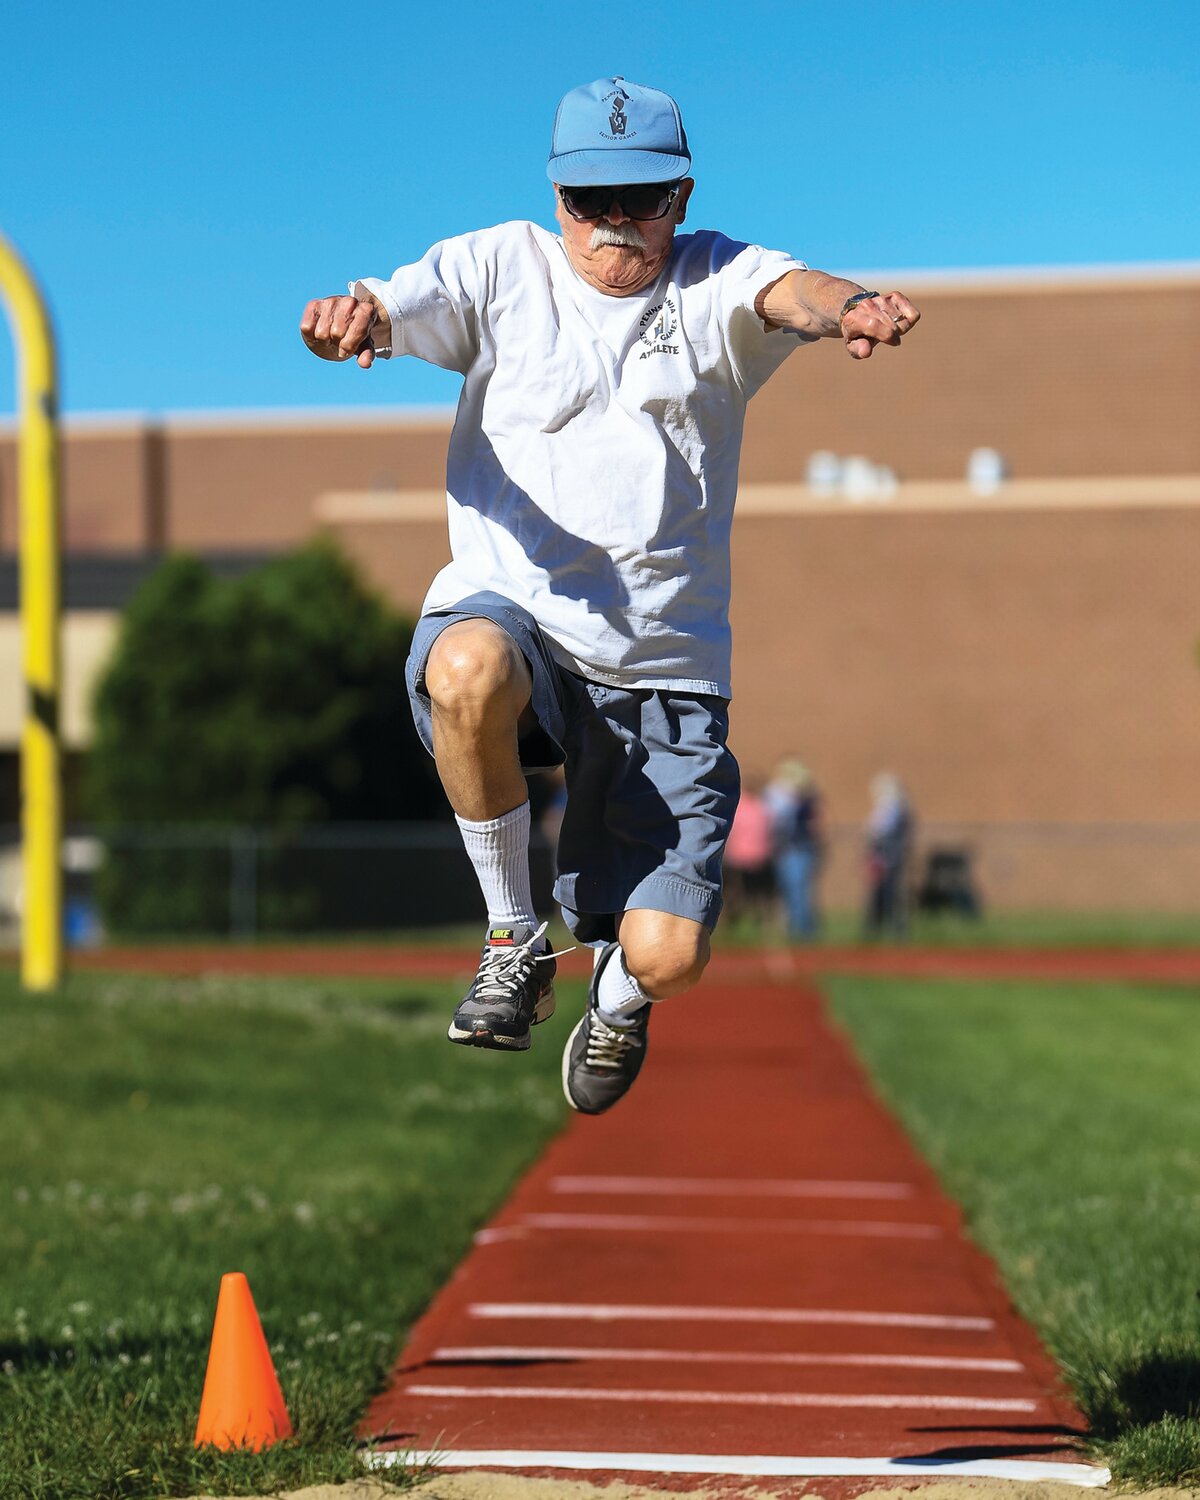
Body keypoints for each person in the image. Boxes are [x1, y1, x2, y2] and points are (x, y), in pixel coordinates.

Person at [300, 76, 921, 1115]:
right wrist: (353, 319)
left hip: (664, 669)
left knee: (672, 952)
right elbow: (397, 307)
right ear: (558, 199)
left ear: (679, 196)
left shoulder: (713, 279)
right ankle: (513, 940)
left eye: (639, 200)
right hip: (524, 622)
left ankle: (619, 996)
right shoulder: (500, 267)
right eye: (591, 201)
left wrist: (849, 306)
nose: (614, 226)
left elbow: (791, 291)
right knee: (464, 666)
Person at [763, 759, 826, 939]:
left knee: (799, 890)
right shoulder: (779, 794)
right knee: (789, 890)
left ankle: (804, 930)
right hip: (785, 848)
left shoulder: (803, 798)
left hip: (799, 847)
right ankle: (795, 927)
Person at [864, 772, 914, 939]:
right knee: (880, 891)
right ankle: (876, 926)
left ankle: (894, 927)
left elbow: (880, 830)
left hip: (888, 855)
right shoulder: (893, 806)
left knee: (891, 892)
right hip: (883, 854)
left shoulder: (893, 806)